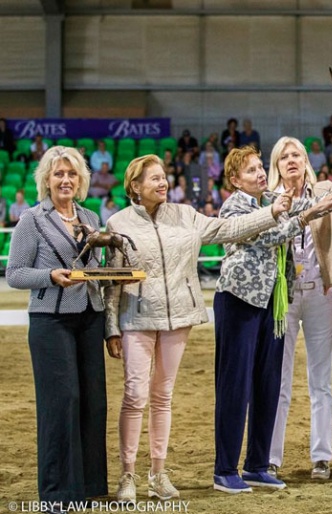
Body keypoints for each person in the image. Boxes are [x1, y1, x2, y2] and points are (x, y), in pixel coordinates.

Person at [103, 154, 294, 503]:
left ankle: (158, 474)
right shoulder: (118, 223)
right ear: (135, 186)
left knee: (162, 397)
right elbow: (113, 281)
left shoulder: (185, 215)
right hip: (137, 317)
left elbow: (229, 229)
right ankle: (127, 475)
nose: (163, 183)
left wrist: (272, 212)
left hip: (178, 317)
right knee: (134, 396)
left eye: (164, 177)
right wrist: (111, 327)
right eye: (154, 179)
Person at [212, 146, 332, 494]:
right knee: (235, 386)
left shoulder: (271, 198)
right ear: (236, 180)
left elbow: (301, 202)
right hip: (239, 301)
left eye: (259, 168)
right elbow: (266, 234)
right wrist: (305, 215)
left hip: (272, 303)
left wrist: (329, 195)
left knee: (267, 384)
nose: (260, 174)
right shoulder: (234, 206)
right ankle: (224, 469)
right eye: (251, 171)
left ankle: (256, 464)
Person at [6, 146, 108, 512]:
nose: (65, 180)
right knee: (61, 403)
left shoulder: (91, 218)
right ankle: (57, 494)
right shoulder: (31, 220)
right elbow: (15, 273)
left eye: (71, 174)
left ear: (81, 179)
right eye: (58, 174)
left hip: (90, 318)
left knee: (93, 404)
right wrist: (49, 276)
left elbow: (95, 276)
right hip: (51, 321)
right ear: (46, 180)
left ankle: (89, 486)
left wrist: (110, 327)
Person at [266, 136, 332, 481]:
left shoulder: (326, 190)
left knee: (321, 381)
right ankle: (269, 457)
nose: (291, 160)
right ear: (276, 165)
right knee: (277, 381)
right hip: (282, 296)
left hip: (320, 293)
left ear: (306, 160)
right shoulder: (268, 201)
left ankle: (321, 457)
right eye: (284, 156)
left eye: (296, 154)